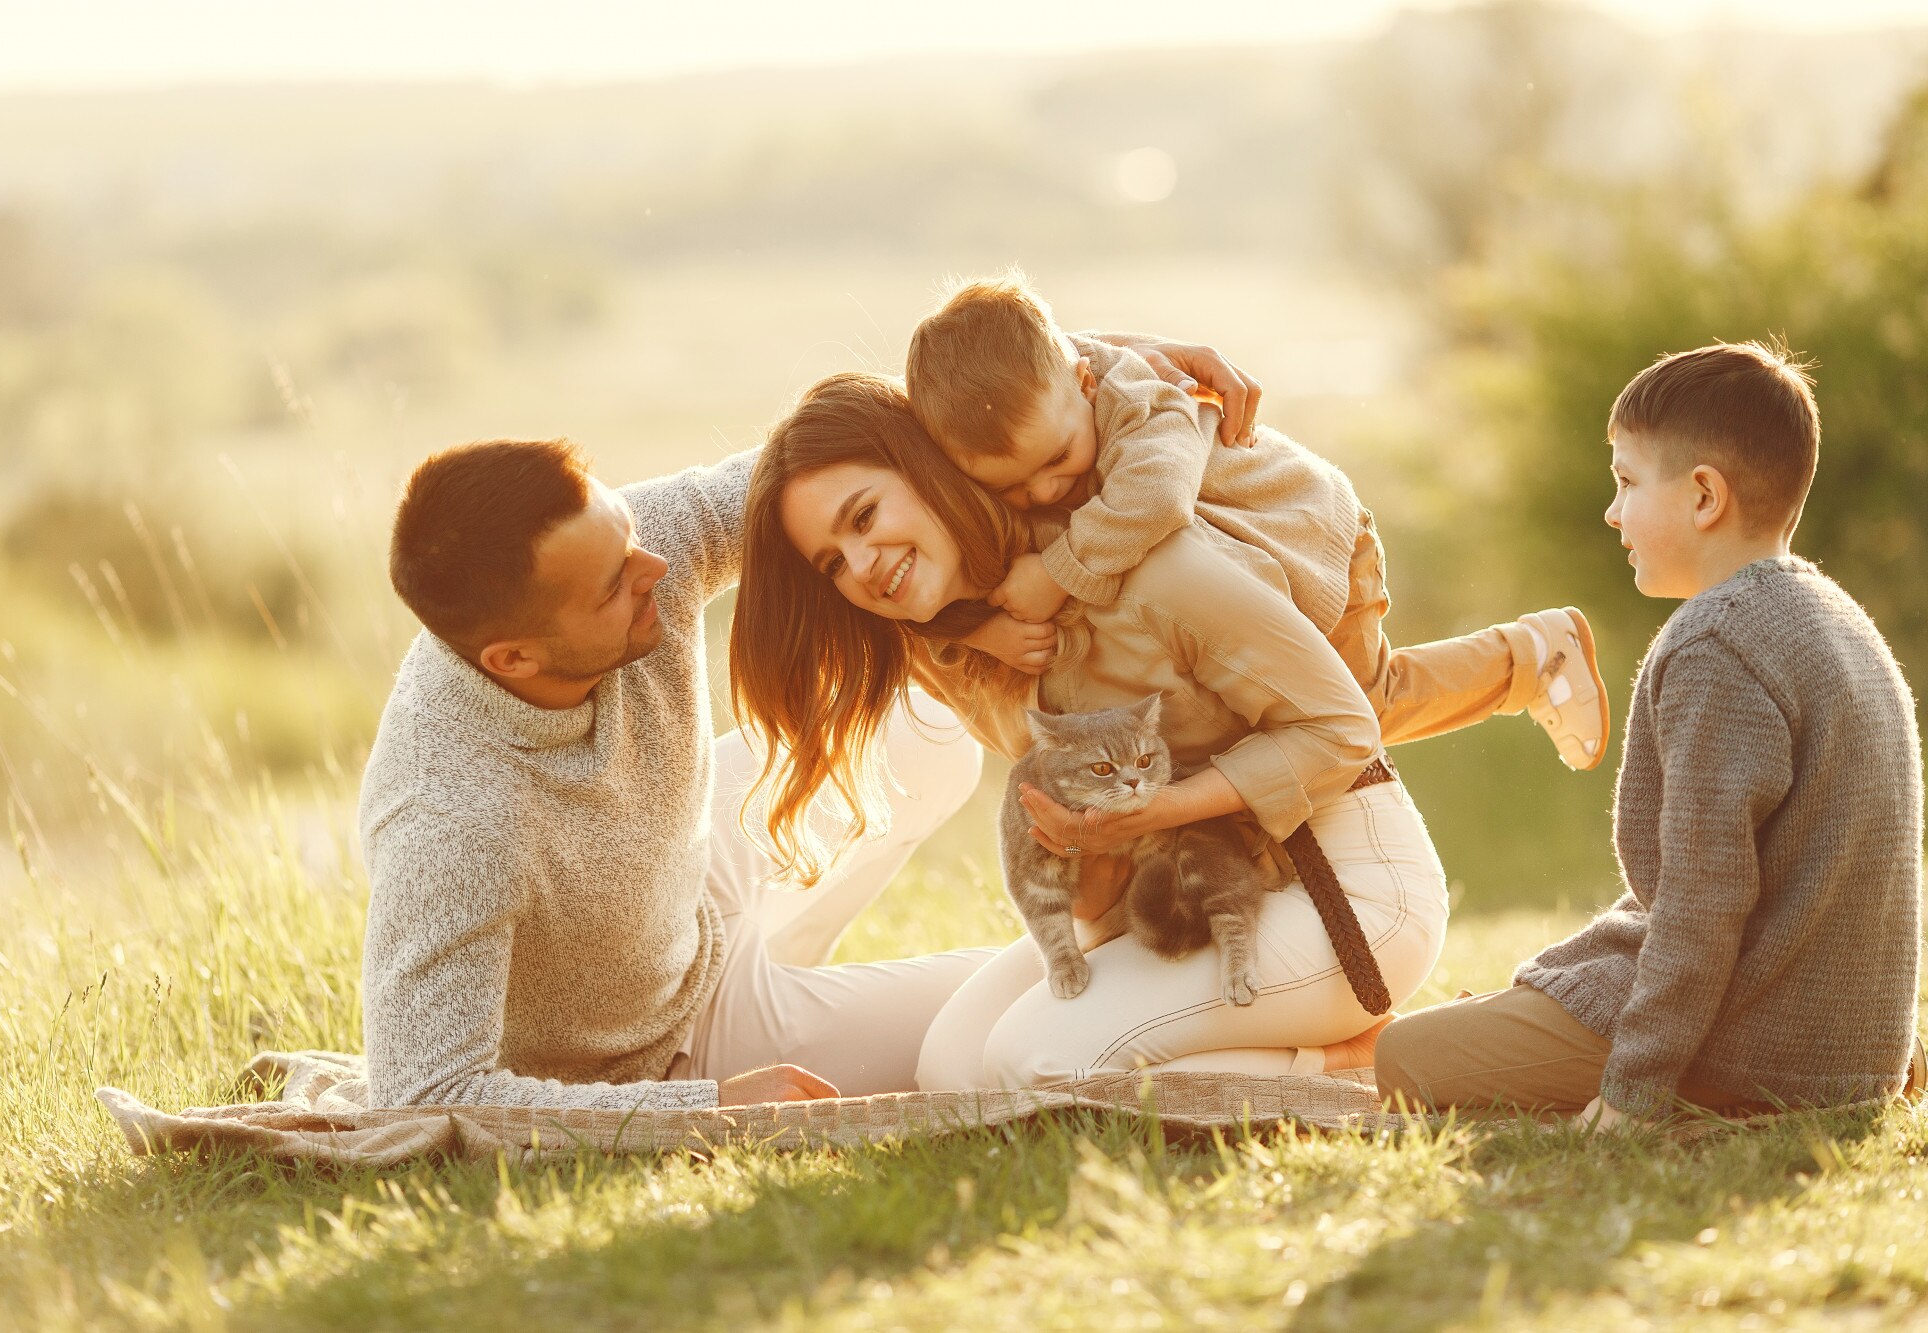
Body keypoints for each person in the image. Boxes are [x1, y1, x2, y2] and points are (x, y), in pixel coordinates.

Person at [356, 334, 1262, 1111]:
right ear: (511, 657)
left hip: (691, 882)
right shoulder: (454, 821)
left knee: (931, 729)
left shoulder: (623, 553)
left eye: (629, 530)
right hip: (666, 1046)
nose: (659, 566)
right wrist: (707, 1103)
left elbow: (855, 449)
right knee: (1019, 1023)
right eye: (615, 581)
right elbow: (426, 1095)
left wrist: (1094, 363)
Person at [729, 372, 1458, 1089]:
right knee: (950, 1070)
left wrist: (1167, 807)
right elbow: (1099, 897)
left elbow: (1345, 728)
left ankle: (1363, 1059)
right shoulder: (956, 652)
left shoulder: (1144, 563)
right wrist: (1089, 850)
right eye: (832, 563)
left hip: (1344, 889)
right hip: (1184, 900)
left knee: (1036, 1062)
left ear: (929, 468)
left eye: (863, 518)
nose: (861, 565)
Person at [1375, 341, 1926, 1124]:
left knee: (1404, 1056)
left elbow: (1703, 902)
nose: (1612, 511)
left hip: (1749, 1048)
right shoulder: (1842, 623)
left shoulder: (1716, 644)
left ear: (1705, 496)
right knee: (1527, 997)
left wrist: (1632, 1091)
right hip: (1848, 1052)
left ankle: (1605, 1062)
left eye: (1627, 482)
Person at [906, 271, 1609, 769]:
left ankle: (1533, 656)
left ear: (1086, 382)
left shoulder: (1145, 402)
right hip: (1248, 568)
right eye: (1015, 488)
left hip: (1312, 542)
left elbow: (1157, 503)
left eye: (1058, 459)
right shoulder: (1047, 402)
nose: (1046, 487)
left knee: (1362, 705)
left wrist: (1056, 575)